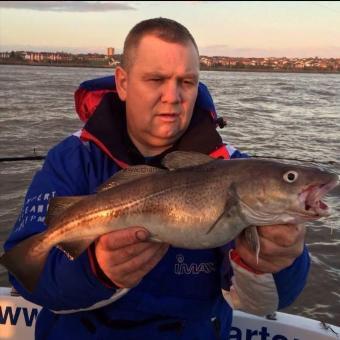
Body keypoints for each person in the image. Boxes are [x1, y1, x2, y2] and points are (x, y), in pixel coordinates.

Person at [4, 18, 309, 339]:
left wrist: (273, 261)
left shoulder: (233, 169)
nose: (172, 96)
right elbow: (27, 276)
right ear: (122, 83)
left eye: (187, 82)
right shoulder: (73, 158)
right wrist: (96, 270)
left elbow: (260, 304)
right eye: (155, 79)